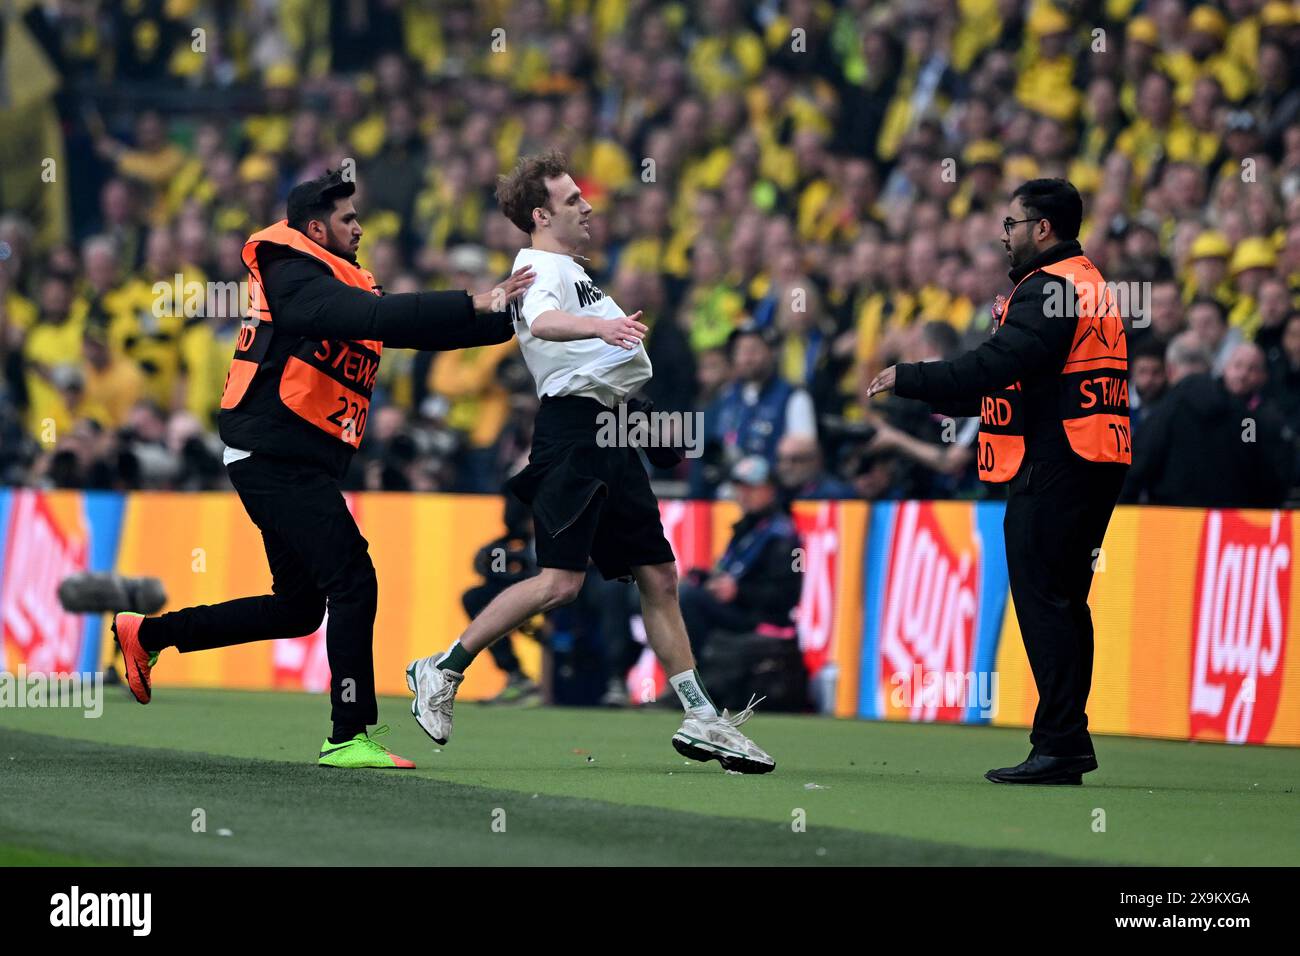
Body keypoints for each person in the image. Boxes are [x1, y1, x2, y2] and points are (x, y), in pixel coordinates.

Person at [106, 169, 535, 769]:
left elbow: (406, 328)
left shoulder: (336, 278)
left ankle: (147, 636)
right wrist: (475, 298)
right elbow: (380, 319)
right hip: (273, 458)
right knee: (354, 580)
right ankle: (348, 733)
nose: (359, 227)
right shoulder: (293, 277)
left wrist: (506, 318)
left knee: (300, 608)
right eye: (347, 219)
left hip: (286, 458)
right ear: (315, 227)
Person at [405, 151, 775, 773]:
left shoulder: (573, 270)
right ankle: (441, 669)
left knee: (659, 576)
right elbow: (543, 322)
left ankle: (701, 715)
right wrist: (599, 331)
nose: (588, 206)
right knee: (560, 582)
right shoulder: (538, 266)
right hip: (573, 432)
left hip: (613, 426)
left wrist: (646, 413)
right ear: (543, 215)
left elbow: (597, 353)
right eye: (574, 199)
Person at [867, 179, 1130, 786]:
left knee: (1045, 604)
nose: (1004, 235)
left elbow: (994, 367)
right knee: (1065, 604)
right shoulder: (1088, 284)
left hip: (1058, 464)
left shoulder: (1050, 290)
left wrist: (911, 376)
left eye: (1011, 224)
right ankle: (1065, 737)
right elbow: (1016, 382)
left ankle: (1061, 741)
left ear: (1042, 228)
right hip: (1094, 455)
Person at [679, 455, 804, 656]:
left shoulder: (783, 535)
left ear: (770, 490)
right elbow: (729, 571)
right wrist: (702, 578)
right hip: (739, 610)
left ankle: (696, 675)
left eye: (751, 487)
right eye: (740, 487)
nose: (743, 494)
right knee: (676, 591)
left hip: (762, 619)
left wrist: (739, 592)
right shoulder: (746, 527)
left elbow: (786, 595)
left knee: (689, 600)